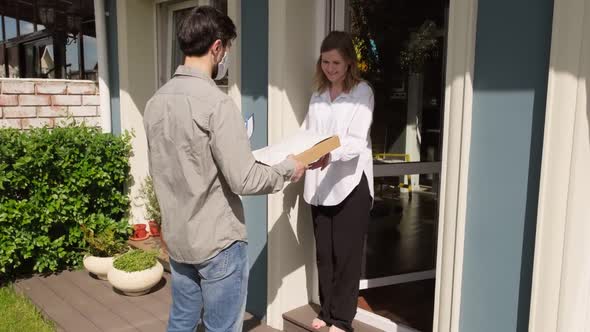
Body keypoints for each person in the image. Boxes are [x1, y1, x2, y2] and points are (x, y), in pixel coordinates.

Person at [143, 6, 306, 332]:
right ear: (217, 47)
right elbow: (244, 179)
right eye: (227, 49)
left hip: (179, 239)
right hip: (218, 243)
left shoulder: (155, 102)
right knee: (221, 328)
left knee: (182, 321)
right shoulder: (216, 103)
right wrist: (289, 168)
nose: (226, 56)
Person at [303, 31, 375, 332]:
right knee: (324, 254)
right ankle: (327, 311)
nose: (329, 68)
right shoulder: (317, 96)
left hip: (351, 184)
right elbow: (307, 133)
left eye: (336, 62)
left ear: (349, 64)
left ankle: (343, 320)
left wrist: (329, 156)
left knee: (345, 256)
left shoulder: (362, 93)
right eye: (325, 62)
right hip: (319, 184)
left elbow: (356, 141)